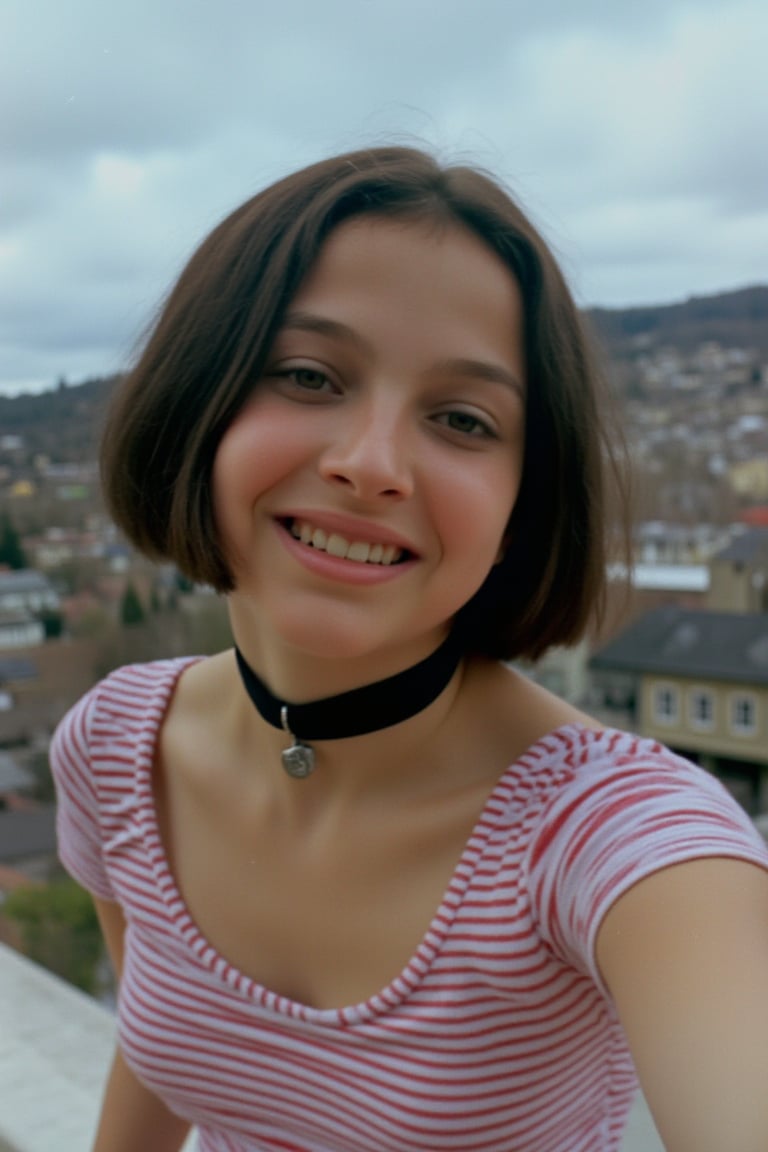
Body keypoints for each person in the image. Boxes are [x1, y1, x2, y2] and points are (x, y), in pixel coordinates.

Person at [51, 146, 768, 1152]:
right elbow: (164, 1051)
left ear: (525, 503)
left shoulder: (616, 839)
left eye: (463, 419)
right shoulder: (115, 751)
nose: (371, 464)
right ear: (196, 401)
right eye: (308, 374)